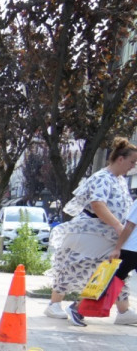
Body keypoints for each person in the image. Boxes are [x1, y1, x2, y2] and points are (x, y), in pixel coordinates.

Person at [46, 137, 137, 327]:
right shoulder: (102, 178)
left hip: (108, 234)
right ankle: (56, 303)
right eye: (132, 162)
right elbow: (98, 205)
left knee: (115, 268)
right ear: (120, 159)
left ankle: (123, 309)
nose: (133, 166)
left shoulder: (119, 181)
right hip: (92, 231)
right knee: (78, 265)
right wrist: (118, 226)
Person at [96, 200, 137, 325]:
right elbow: (129, 226)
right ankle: (79, 308)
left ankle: (79, 308)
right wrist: (118, 248)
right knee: (110, 281)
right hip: (131, 249)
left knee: (111, 281)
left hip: (132, 249)